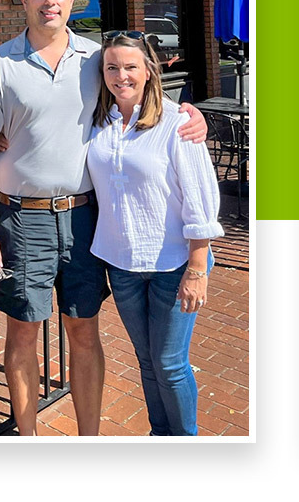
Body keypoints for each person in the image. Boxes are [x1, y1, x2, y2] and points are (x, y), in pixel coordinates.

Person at [0, 0, 208, 435]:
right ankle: (30, 438)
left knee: (84, 330)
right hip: (20, 219)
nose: (50, 0)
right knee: (22, 333)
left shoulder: (96, 58)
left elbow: (136, 90)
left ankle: (89, 442)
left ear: (74, 0)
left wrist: (189, 116)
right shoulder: (0, 64)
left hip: (83, 218)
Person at [86, 31, 224, 436]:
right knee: (146, 359)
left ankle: (185, 442)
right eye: (112, 67)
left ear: (149, 70)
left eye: (130, 67)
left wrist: (198, 267)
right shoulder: (99, 122)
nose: (120, 76)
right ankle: (160, 435)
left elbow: (201, 197)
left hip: (174, 262)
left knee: (169, 362)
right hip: (122, 263)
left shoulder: (177, 122)